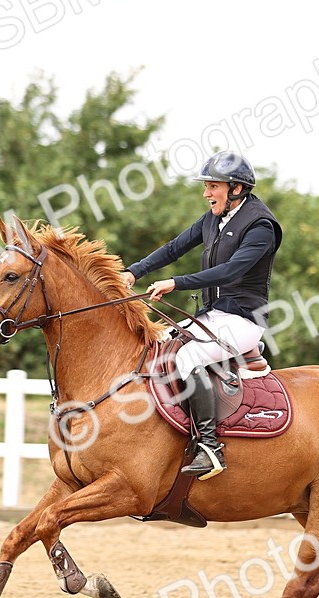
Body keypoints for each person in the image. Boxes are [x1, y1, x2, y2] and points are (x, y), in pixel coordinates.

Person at [121, 151, 283, 481]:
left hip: (243, 321)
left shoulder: (261, 226)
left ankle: (210, 448)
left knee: (189, 358)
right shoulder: (213, 218)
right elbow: (173, 248)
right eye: (206, 186)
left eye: (212, 186)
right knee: (158, 348)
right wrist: (134, 272)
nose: (206, 193)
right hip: (212, 317)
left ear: (236, 188)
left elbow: (231, 271)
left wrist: (175, 283)